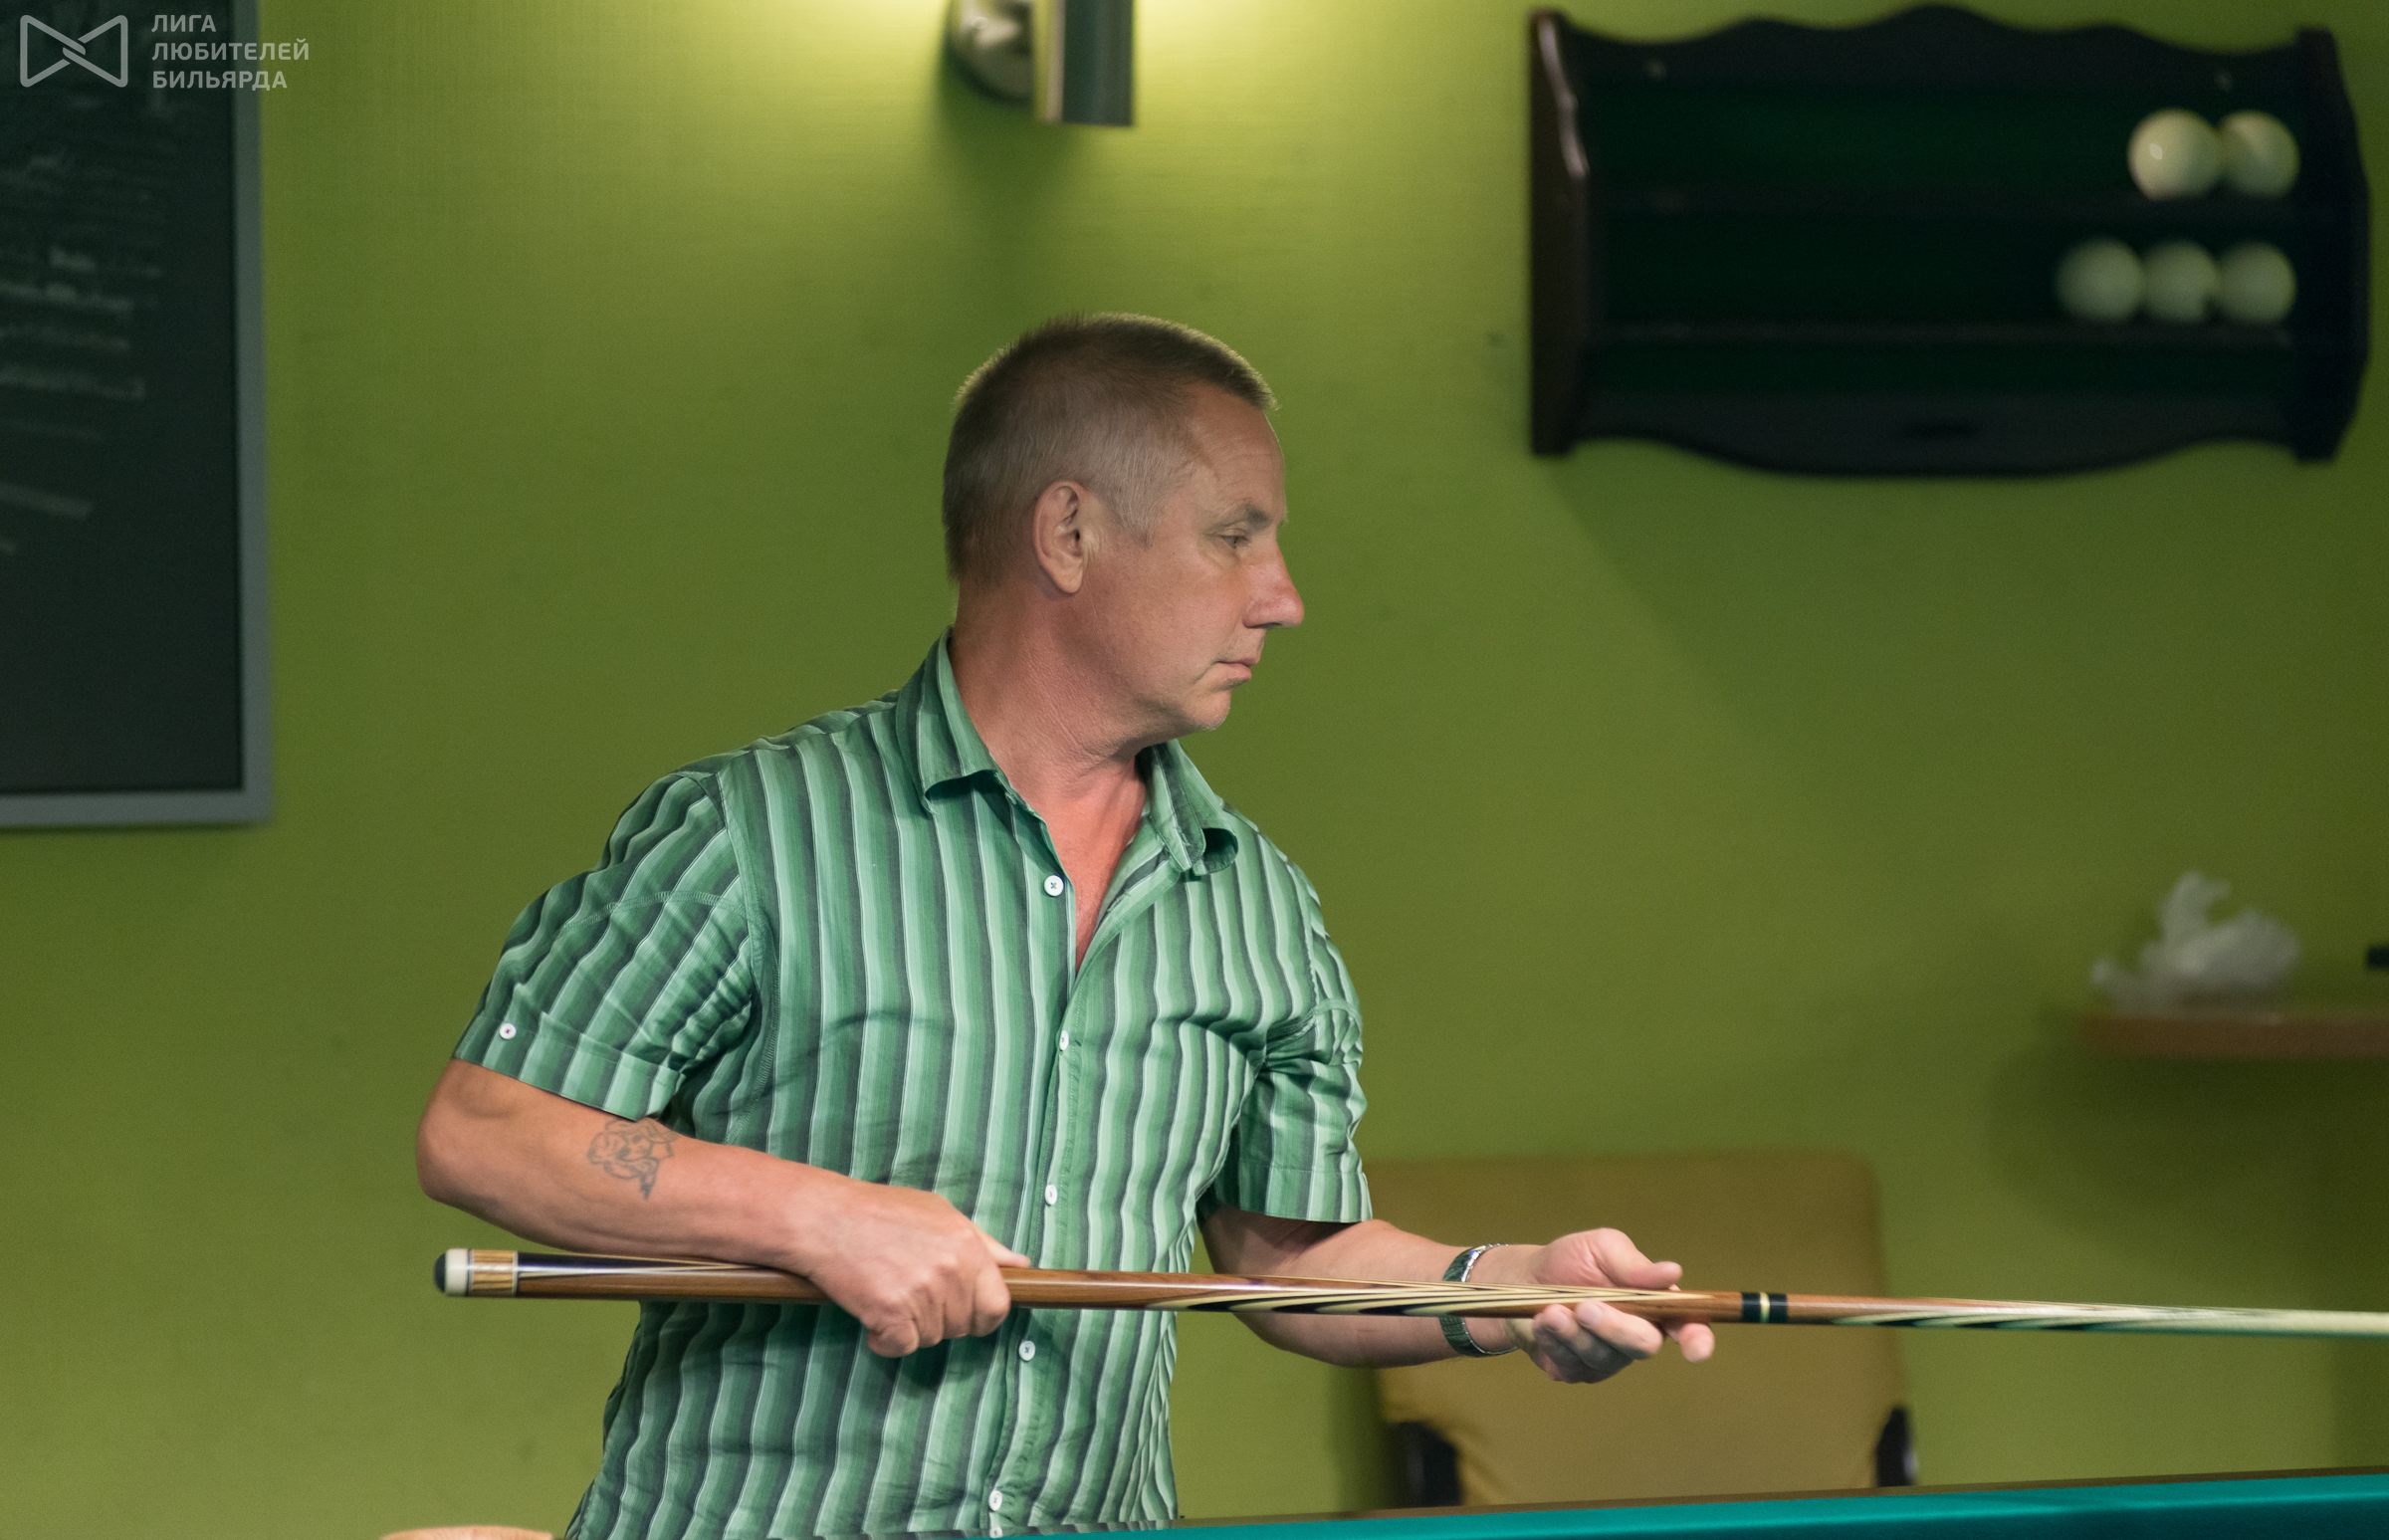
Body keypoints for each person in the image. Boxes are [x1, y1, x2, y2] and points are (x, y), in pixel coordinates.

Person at [415, 315, 1714, 1540]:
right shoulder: (752, 832)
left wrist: (1510, 1286)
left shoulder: (1254, 900)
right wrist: (821, 1218)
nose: (1282, 597)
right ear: (1071, 533)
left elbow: (1286, 1255)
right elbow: (489, 1131)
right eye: (1236, 537)